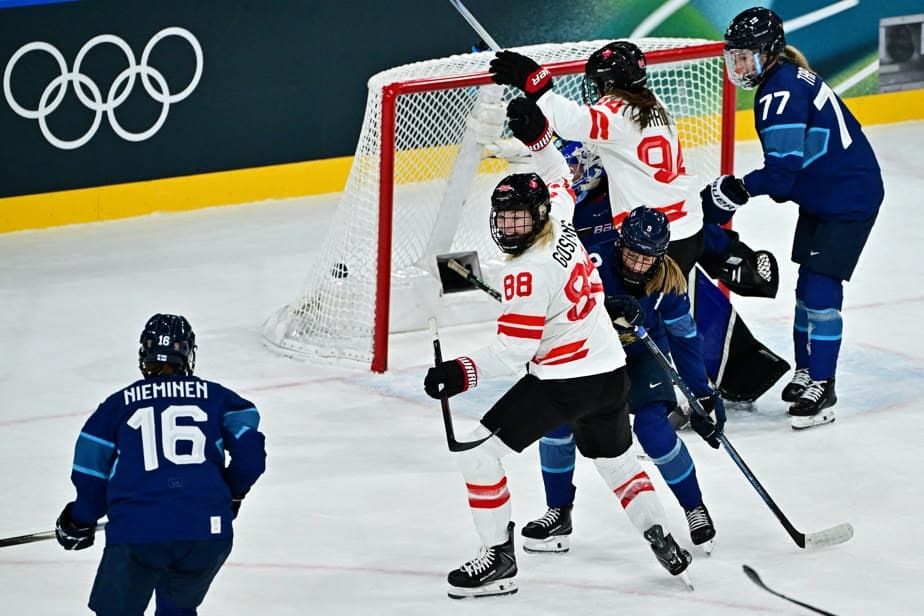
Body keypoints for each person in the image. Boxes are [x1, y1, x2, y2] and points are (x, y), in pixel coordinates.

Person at [424, 97, 691, 599]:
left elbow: (512, 350)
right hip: (611, 375)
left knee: (478, 457)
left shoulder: (526, 272)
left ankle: (499, 563)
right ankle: (660, 533)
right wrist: (538, 136)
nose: (510, 228)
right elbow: (555, 173)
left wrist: (457, 373)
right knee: (618, 464)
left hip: (566, 383)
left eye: (519, 219)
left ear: (536, 216)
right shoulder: (562, 222)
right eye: (503, 219)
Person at [701, 7, 884, 429]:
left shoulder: (780, 93)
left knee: (820, 289)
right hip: (826, 194)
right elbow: (789, 174)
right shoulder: (783, 78)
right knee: (806, 287)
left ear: (769, 52)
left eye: (746, 57)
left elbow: (782, 177)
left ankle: (823, 383)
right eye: (735, 57)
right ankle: (806, 371)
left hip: (848, 198)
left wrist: (736, 190)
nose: (739, 66)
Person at [522, 206, 726, 555]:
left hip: (642, 358)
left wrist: (701, 394)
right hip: (590, 357)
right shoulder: (592, 255)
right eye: (631, 253)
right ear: (620, 243)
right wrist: (602, 306)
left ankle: (694, 507)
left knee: (653, 430)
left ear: (660, 255)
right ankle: (558, 512)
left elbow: (685, 339)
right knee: (557, 424)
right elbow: (556, 298)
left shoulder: (669, 284)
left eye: (646, 258)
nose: (636, 263)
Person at [54, 314, 267, 616]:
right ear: (188, 355)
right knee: (177, 610)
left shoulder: (117, 406)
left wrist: (79, 520)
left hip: (138, 531)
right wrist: (230, 494)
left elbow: (91, 477)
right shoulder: (220, 398)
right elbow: (251, 457)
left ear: (144, 355)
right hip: (206, 532)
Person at [489, 40, 705, 275]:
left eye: (597, 84)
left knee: (633, 307)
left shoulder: (617, 111)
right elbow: (593, 141)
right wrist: (529, 144)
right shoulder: (653, 103)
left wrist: (538, 86)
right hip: (689, 226)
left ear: (608, 83)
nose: (595, 90)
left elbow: (573, 122)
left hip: (653, 241)